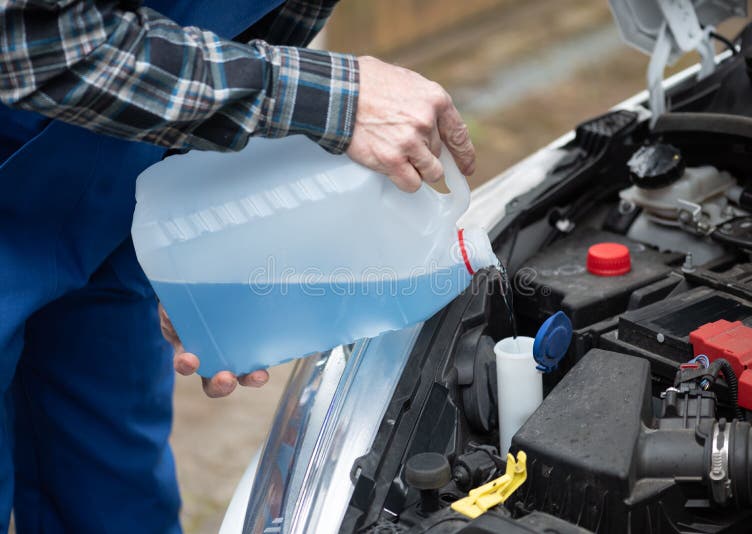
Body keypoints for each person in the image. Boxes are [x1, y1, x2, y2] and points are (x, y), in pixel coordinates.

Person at [0, 0, 475, 531]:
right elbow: (37, 39)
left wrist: (199, 222)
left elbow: (255, 33)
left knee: (115, 492)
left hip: (118, 178)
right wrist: (334, 97)